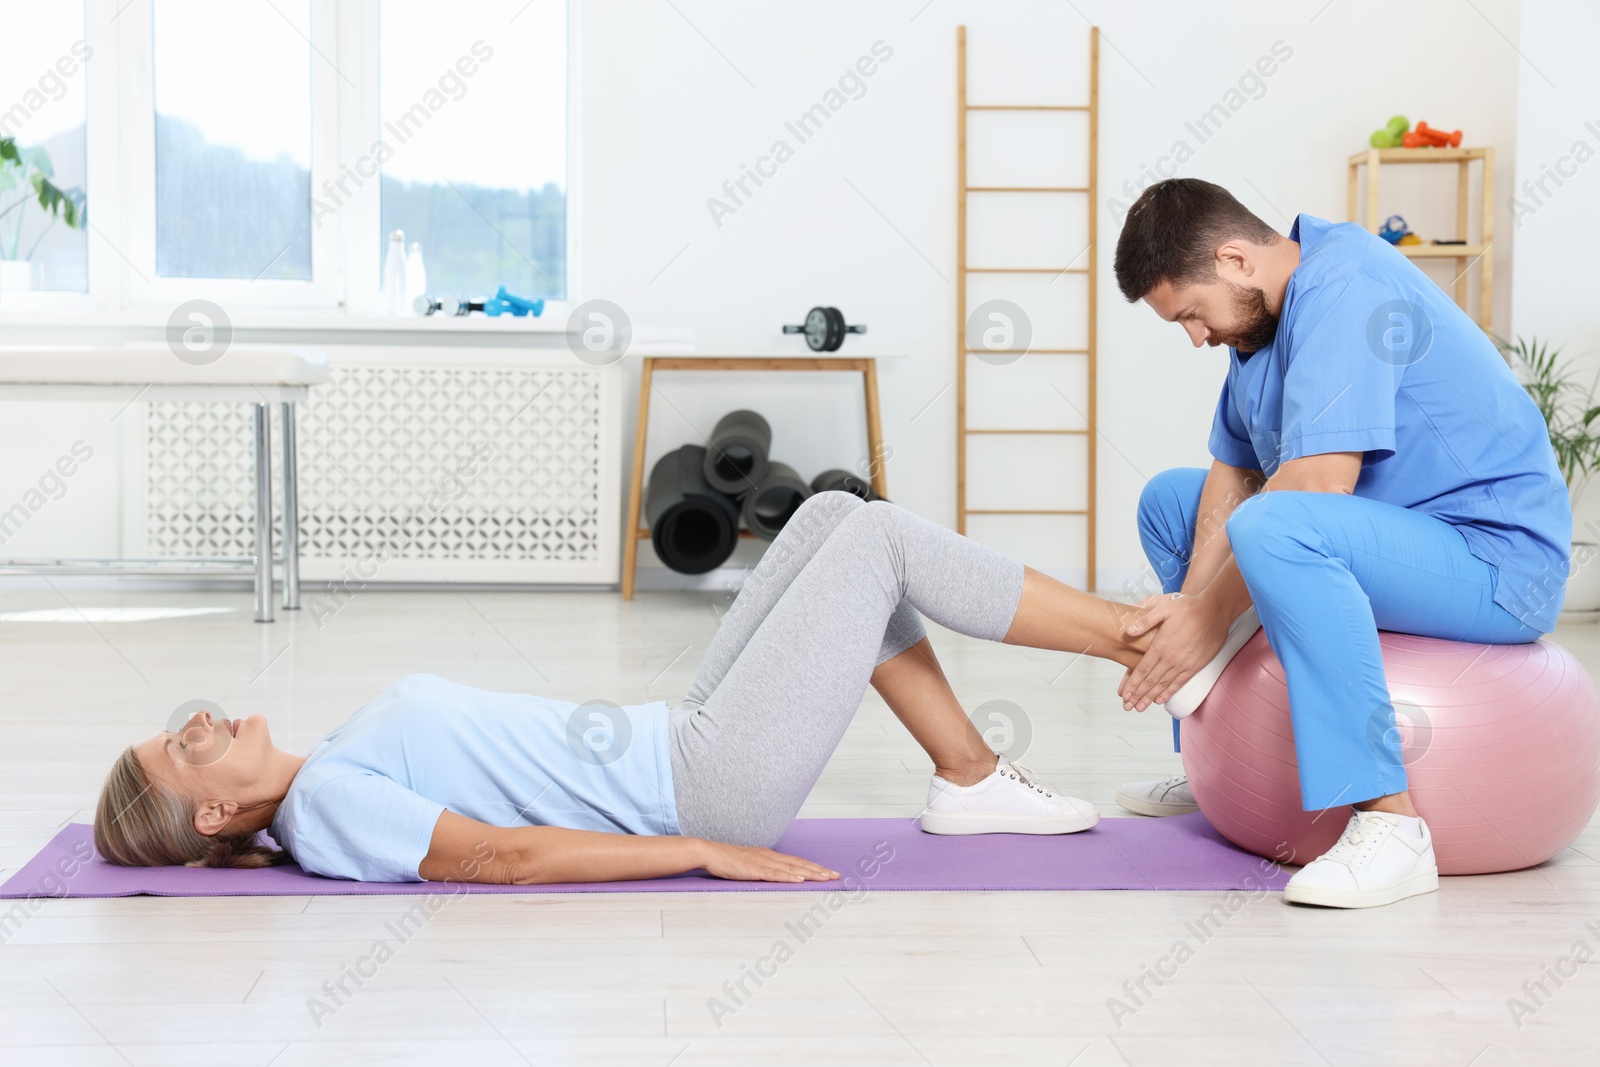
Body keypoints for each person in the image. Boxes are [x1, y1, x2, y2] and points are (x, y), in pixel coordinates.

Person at [95, 491, 1167, 886]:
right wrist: (698, 848)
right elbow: (499, 856)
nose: (199, 721)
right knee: (880, 539)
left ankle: (969, 776)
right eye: (185, 745)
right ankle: (1143, 641)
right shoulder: (329, 808)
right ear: (216, 810)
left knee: (834, 521)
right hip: (698, 787)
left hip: (682, 735)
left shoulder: (327, 761)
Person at [1108, 178, 1570, 908]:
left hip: (1494, 562)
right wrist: (1191, 611)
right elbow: (1229, 481)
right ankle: (1212, 765)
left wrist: (1205, 618)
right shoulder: (1257, 324)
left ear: (1234, 259)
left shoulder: (1346, 281)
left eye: (1192, 316)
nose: (1196, 338)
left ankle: (1391, 825)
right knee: (1172, 499)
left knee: (1272, 523)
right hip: (1394, 540)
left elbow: (1318, 482)